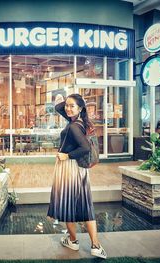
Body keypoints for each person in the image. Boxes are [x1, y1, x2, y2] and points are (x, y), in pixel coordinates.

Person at [47, 93, 107, 259]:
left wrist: (66, 156)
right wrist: (68, 102)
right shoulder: (79, 122)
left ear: (81, 108)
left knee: (68, 205)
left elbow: (85, 148)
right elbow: (60, 108)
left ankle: (74, 241)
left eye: (72, 106)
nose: (67, 108)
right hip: (77, 170)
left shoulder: (74, 126)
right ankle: (94, 245)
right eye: (67, 105)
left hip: (70, 169)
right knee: (84, 205)